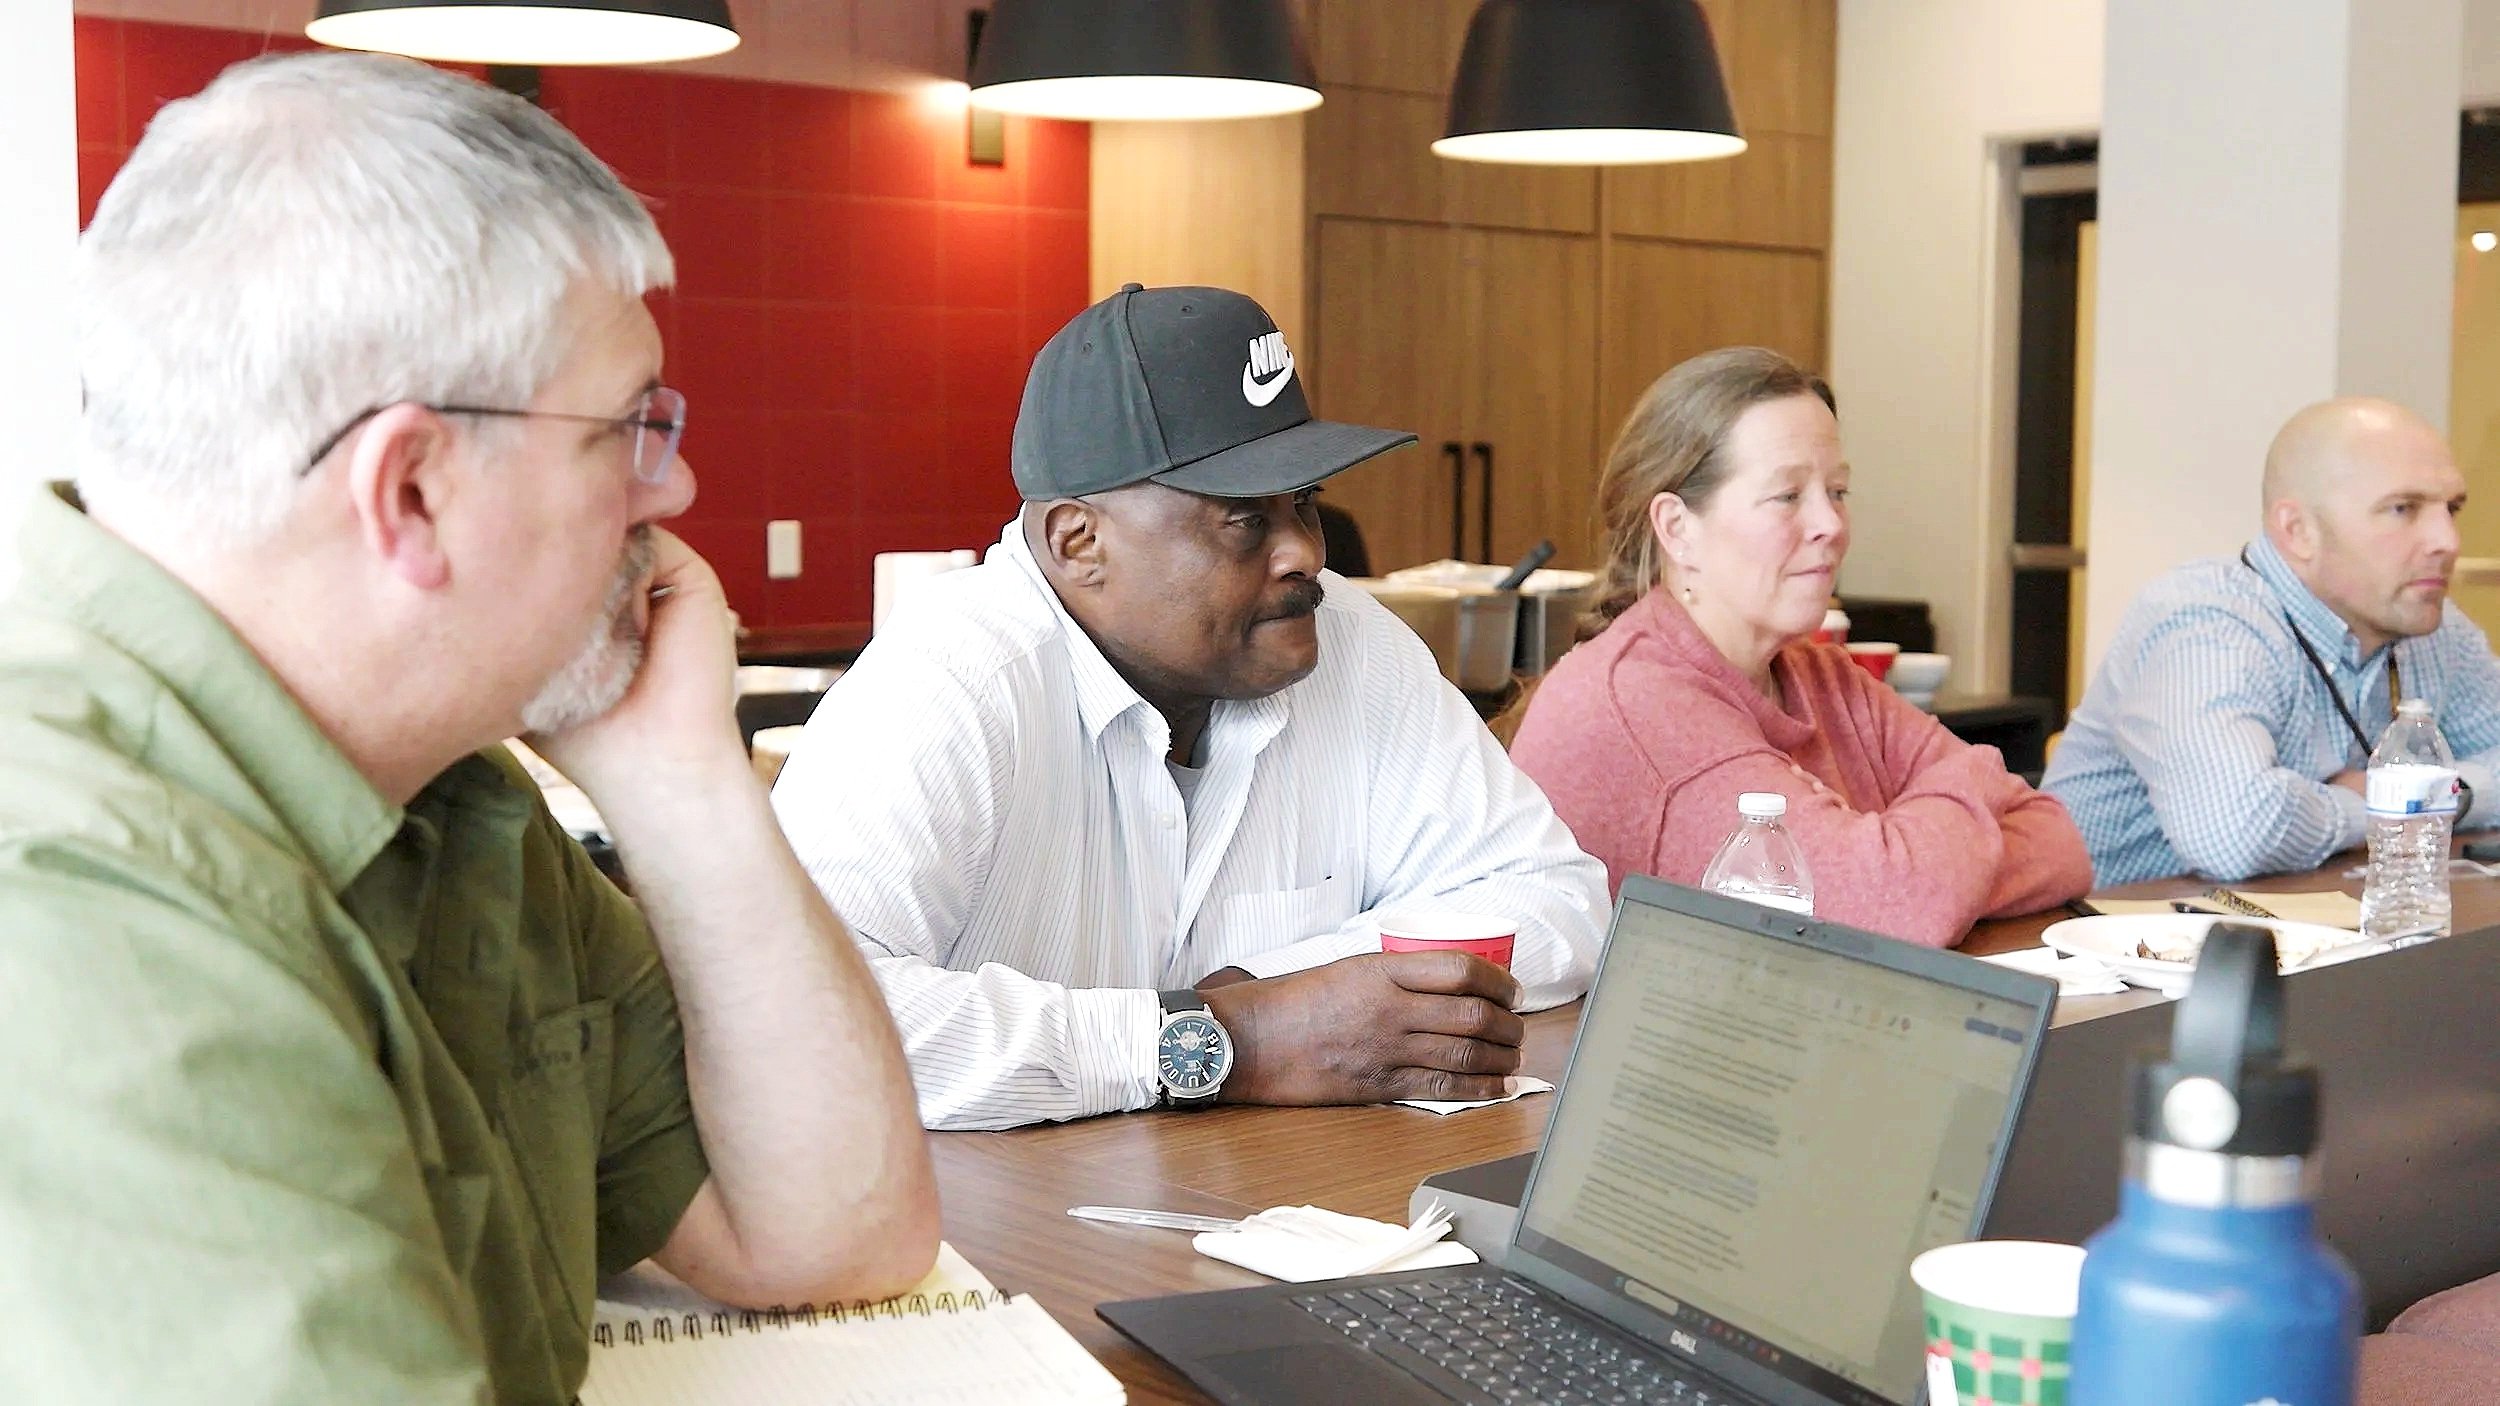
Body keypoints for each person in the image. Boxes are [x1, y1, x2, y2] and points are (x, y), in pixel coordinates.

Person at [0, 53, 936, 1403]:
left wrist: (680, 782)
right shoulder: (77, 914)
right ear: (415, 491)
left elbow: (831, 1233)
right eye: (627, 428)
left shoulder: (445, 789)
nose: (670, 483)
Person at [772, 283, 1608, 1131]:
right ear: (1078, 542)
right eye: (1244, 519)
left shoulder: (1350, 641)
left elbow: (1554, 897)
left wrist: (1271, 990)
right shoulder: (951, 680)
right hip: (981, 1243)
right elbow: (793, 1030)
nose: (1306, 554)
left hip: (1261, 1209)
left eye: (1306, 504)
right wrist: (1217, 1041)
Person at [1507, 347, 2090, 948]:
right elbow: (1890, 906)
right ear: (1678, 528)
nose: (1831, 525)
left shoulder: (1817, 675)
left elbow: (2059, 839)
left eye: (1837, 491)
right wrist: (1972, 779)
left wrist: (1924, 869)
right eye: (1788, 496)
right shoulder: (1639, 703)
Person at [2044, 397, 2500, 885]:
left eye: (2451, 508)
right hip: (2103, 941)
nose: (2447, 541)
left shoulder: (2433, 628)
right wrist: (2380, 803)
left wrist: (2435, 795)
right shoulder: (2204, 618)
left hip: (2304, 928)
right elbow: (2235, 833)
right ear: (2298, 531)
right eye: (2403, 509)